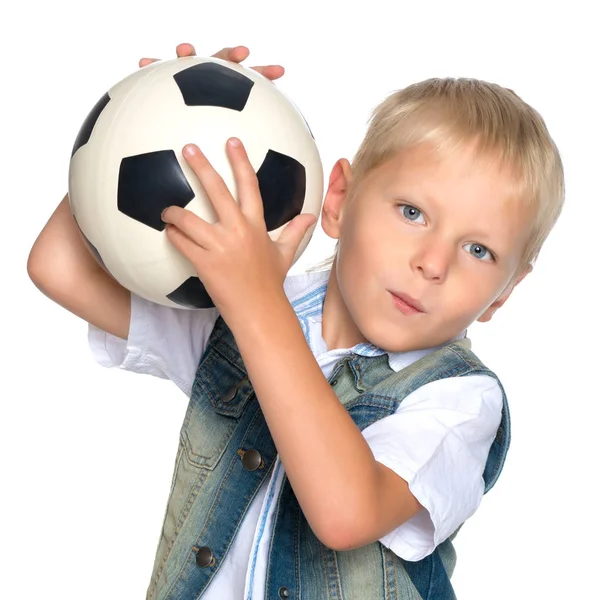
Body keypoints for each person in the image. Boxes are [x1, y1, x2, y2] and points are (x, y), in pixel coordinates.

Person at [27, 42, 565, 600]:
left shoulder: (458, 399)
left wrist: (255, 303)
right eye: (412, 213)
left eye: (479, 250)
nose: (433, 263)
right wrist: (139, 125)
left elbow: (345, 513)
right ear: (339, 199)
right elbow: (57, 267)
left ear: (505, 293)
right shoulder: (242, 314)